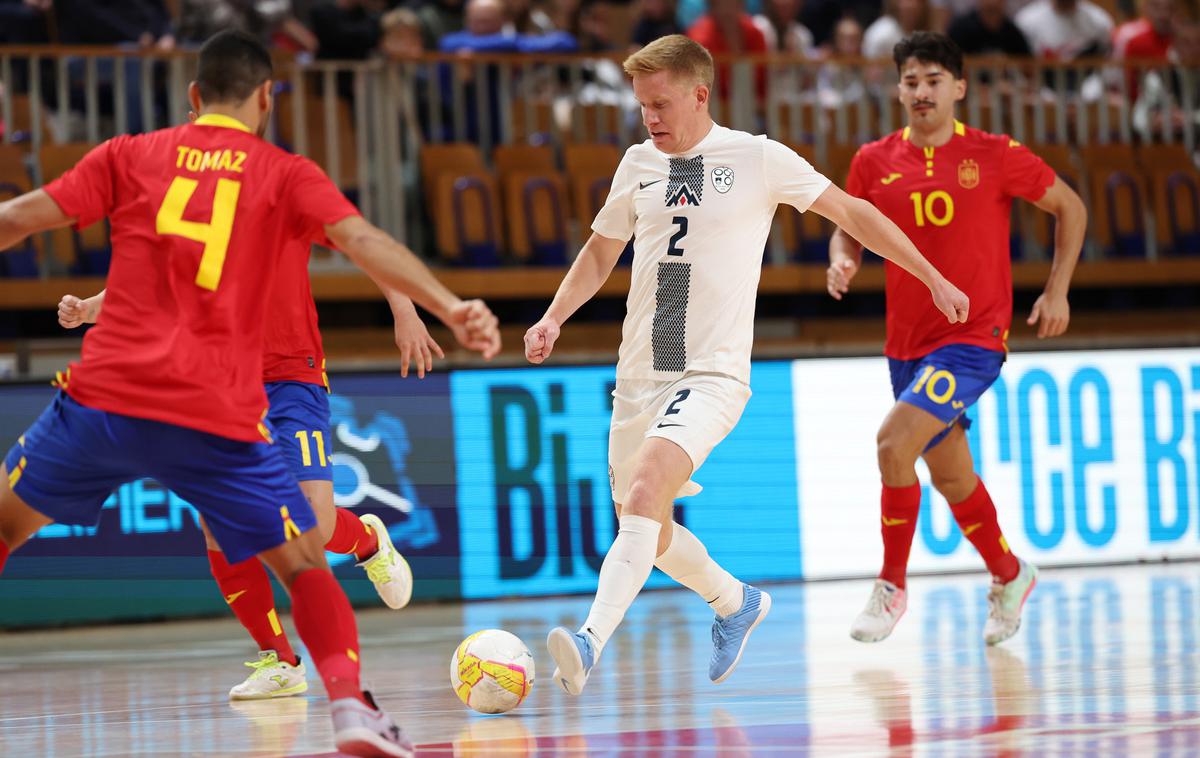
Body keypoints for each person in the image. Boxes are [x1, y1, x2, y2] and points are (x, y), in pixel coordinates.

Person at [0, 30, 499, 758]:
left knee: (7, 526)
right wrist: (451, 306)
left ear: (194, 96)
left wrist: (406, 308)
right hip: (214, 408)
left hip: (114, 396)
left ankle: (357, 564)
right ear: (268, 98)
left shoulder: (129, 155)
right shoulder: (282, 174)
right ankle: (347, 705)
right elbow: (363, 239)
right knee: (299, 561)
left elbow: (15, 220)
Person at [523, 33, 968, 696]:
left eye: (662, 103)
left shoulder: (757, 158)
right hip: (640, 376)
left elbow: (854, 213)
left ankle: (588, 642)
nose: (650, 117)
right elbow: (598, 251)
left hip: (711, 376)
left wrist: (931, 276)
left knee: (647, 492)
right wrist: (555, 315)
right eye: (642, 105)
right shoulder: (639, 164)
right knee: (647, 526)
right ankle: (735, 602)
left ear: (699, 95)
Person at [56, 260, 442, 700]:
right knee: (218, 522)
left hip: (292, 375)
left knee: (312, 526)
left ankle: (367, 542)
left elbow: (362, 244)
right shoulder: (189, 206)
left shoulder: (286, 193)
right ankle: (280, 660)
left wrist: (404, 310)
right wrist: (91, 310)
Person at [827, 32, 1086, 646]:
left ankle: (891, 587)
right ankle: (1010, 573)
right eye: (911, 81)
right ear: (898, 89)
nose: (921, 92)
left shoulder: (996, 154)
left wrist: (1057, 291)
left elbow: (1070, 207)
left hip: (973, 337)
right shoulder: (872, 160)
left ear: (958, 88)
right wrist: (843, 258)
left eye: (934, 80)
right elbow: (847, 226)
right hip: (906, 344)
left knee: (893, 445)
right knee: (951, 479)